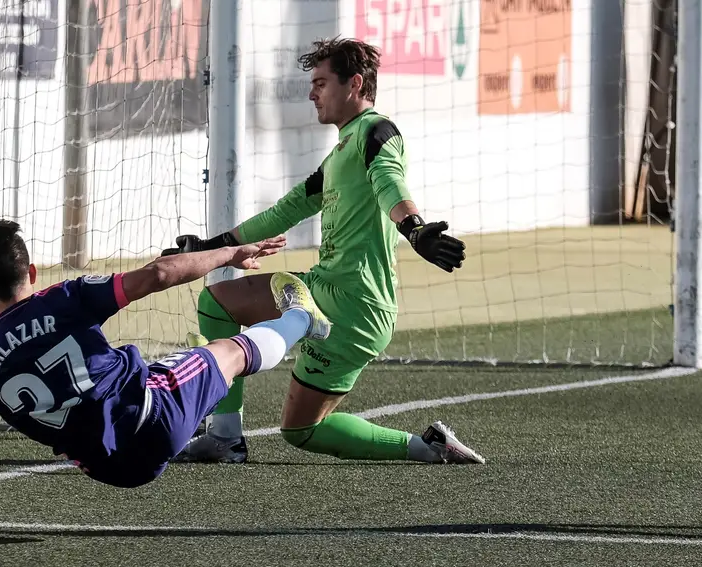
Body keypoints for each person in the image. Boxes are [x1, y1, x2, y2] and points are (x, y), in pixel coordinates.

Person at [164, 37, 485, 466]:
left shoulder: (377, 132)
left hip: (355, 308)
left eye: (320, 83)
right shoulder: (341, 150)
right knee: (217, 301)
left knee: (300, 431)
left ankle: (426, 446)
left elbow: (391, 182)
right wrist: (211, 245)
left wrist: (415, 230)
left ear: (354, 83)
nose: (312, 93)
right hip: (321, 289)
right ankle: (225, 438)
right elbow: (288, 209)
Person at [0, 219, 331, 540]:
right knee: (231, 352)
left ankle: (191, 367)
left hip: (110, 469)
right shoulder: (66, 298)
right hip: (156, 417)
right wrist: (229, 254)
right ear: (33, 272)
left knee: (172, 371)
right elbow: (159, 275)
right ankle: (301, 317)